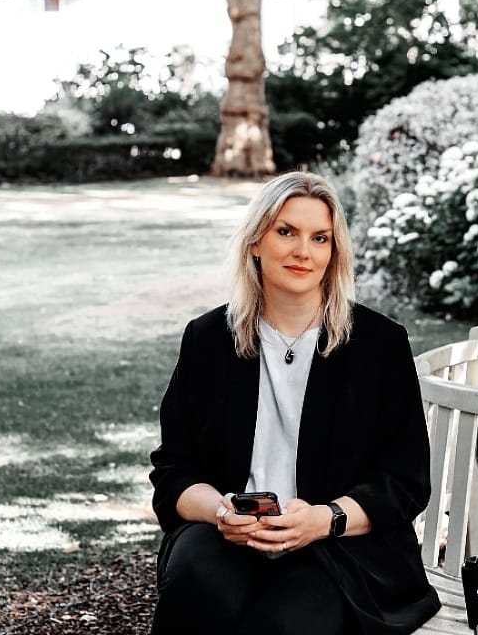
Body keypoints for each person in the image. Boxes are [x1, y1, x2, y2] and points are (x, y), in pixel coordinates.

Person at [149, 171, 441, 634]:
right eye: (286, 231)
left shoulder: (379, 344)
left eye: (319, 238)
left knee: (282, 626)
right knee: (196, 590)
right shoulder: (207, 340)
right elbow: (174, 471)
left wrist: (324, 519)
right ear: (255, 243)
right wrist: (223, 512)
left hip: (340, 546)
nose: (303, 251)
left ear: (334, 252)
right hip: (228, 533)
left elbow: (405, 482)